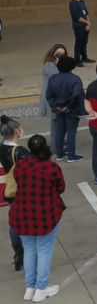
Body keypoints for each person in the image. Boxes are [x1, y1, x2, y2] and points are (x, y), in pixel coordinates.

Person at [9, 134, 66, 302]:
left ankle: (30, 287)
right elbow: (60, 188)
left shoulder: (20, 166)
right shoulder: (52, 167)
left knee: (29, 251)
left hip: (21, 215)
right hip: (45, 217)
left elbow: (18, 181)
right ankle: (41, 289)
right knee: (43, 251)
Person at [1, 115, 29, 273]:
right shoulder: (20, 152)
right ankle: (27, 254)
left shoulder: (2, 147)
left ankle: (18, 253)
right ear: (16, 131)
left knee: (14, 223)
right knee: (26, 224)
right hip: (23, 192)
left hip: (11, 190)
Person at [45, 55, 86, 162]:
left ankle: (60, 154)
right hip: (71, 109)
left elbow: (49, 94)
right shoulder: (75, 79)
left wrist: (55, 106)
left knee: (60, 131)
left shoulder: (53, 78)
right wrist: (68, 106)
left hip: (58, 108)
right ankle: (71, 155)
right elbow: (77, 94)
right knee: (71, 132)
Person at [38, 44, 66, 133]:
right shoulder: (49, 65)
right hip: (52, 96)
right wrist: (59, 64)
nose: (59, 55)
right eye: (58, 53)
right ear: (53, 52)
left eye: (62, 54)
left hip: (59, 95)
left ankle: (60, 139)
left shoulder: (61, 64)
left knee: (60, 122)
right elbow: (56, 77)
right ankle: (55, 143)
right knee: (55, 123)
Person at [69, 0, 93, 67]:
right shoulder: (73, 4)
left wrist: (88, 23)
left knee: (84, 42)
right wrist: (87, 22)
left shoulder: (82, 2)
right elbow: (77, 17)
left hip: (85, 26)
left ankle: (84, 57)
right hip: (78, 26)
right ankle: (77, 59)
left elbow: (86, 13)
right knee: (79, 42)